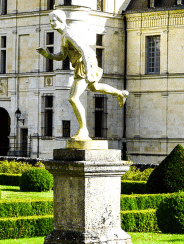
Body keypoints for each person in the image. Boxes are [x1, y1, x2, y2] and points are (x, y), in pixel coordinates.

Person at [36, 9, 128, 143]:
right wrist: (48, 55)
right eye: (50, 21)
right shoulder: (64, 36)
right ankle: (121, 93)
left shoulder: (69, 33)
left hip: (84, 64)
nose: (51, 23)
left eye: (53, 20)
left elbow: (84, 50)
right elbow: (63, 55)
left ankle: (83, 130)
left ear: (61, 20)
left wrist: (89, 71)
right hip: (83, 64)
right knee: (94, 88)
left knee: (73, 98)